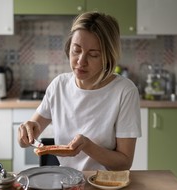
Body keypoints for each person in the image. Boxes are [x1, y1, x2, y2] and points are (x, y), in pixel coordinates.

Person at [18, 11, 141, 171]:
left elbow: (124, 162)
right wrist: (25, 132)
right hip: (67, 183)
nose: (81, 61)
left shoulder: (125, 91)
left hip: (106, 186)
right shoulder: (59, 85)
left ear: (108, 57)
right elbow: (25, 139)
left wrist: (87, 146)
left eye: (93, 54)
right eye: (76, 50)